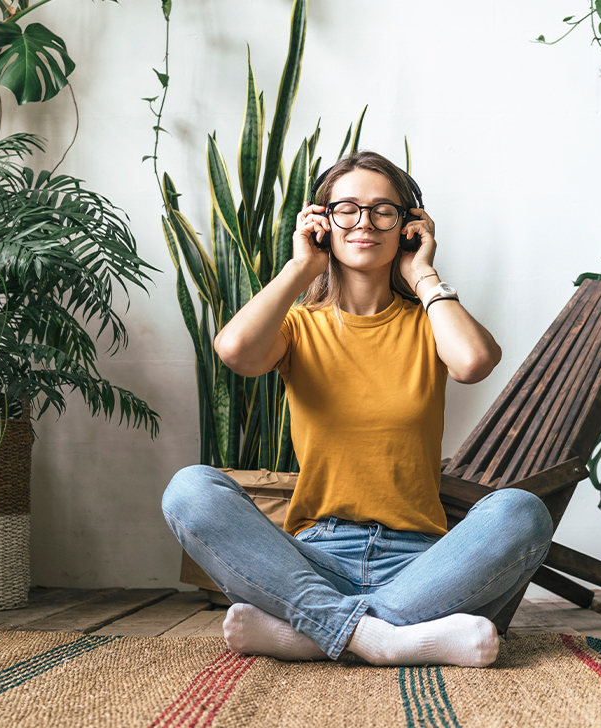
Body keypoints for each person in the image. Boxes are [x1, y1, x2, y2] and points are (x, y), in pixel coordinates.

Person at [161, 151, 553, 667]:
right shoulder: (299, 327)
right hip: (314, 557)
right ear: (321, 223)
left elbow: (474, 362)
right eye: (346, 208)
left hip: (426, 564)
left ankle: (311, 631)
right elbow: (235, 351)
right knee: (190, 488)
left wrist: (424, 274)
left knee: (520, 511)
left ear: (408, 226)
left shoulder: (429, 322)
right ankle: (387, 640)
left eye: (383, 210)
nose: (364, 222)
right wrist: (301, 266)